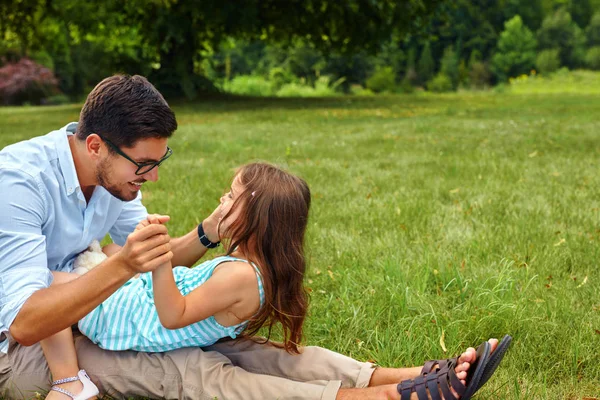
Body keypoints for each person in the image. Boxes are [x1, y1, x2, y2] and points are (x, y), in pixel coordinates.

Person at [0, 74, 505, 400]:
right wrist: (123, 266)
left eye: (160, 162)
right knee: (193, 371)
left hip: (98, 312)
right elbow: (26, 322)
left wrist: (203, 234)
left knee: (245, 349)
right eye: (145, 165)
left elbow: (155, 261)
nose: (151, 178)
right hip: (24, 347)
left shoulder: (115, 176)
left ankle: (416, 377)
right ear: (95, 146)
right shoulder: (19, 184)